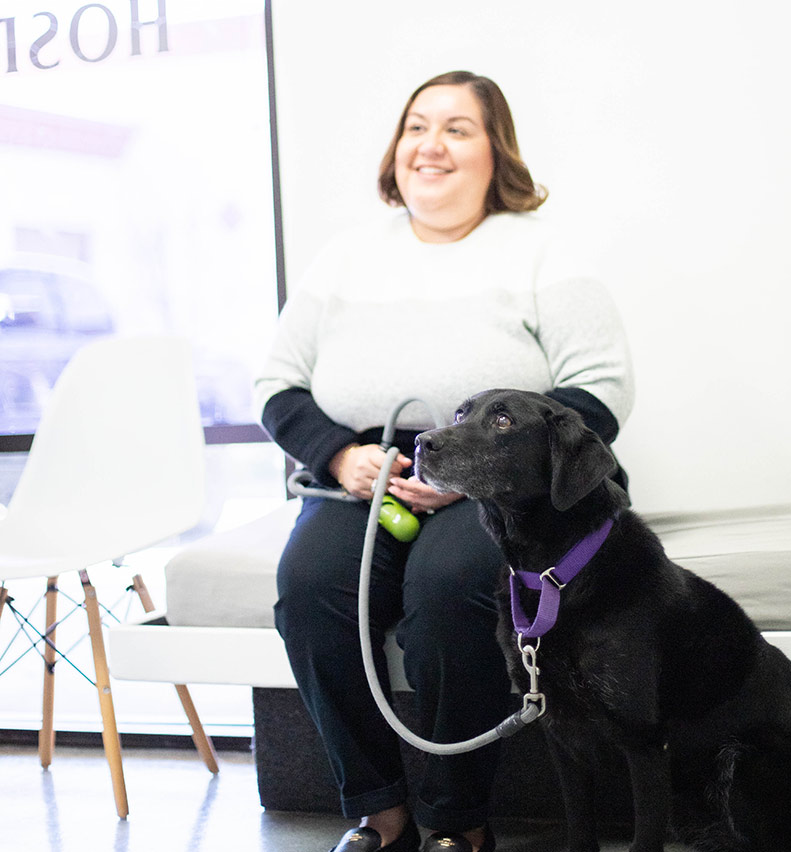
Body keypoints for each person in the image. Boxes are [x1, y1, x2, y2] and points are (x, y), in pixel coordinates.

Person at [255, 70, 635, 852]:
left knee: (452, 587)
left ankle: (456, 822)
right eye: (417, 126)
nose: (430, 145)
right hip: (372, 476)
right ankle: (378, 811)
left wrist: (481, 477)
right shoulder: (345, 259)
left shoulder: (540, 253)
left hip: (502, 488)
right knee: (310, 589)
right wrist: (341, 458)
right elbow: (277, 386)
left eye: (458, 129)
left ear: (497, 153)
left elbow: (599, 393)